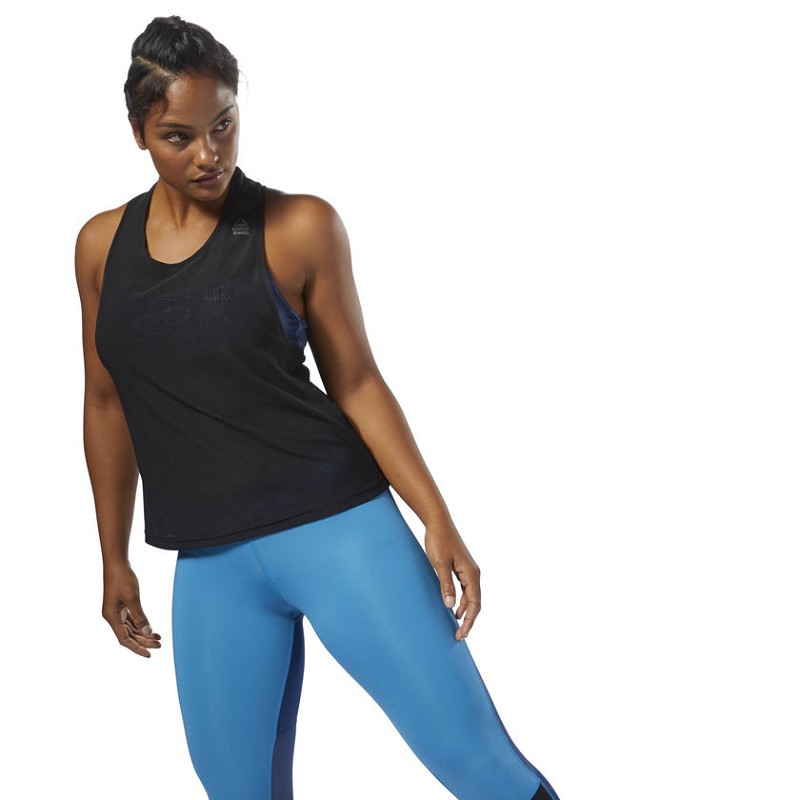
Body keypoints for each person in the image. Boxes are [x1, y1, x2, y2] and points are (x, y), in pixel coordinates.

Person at [75, 15, 560, 800]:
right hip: (210, 561)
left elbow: (357, 382)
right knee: (235, 789)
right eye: (179, 136)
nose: (209, 154)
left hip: (340, 530)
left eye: (224, 124)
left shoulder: (297, 227)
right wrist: (112, 555)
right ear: (138, 134)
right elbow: (105, 401)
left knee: (475, 762)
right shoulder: (101, 247)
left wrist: (436, 517)